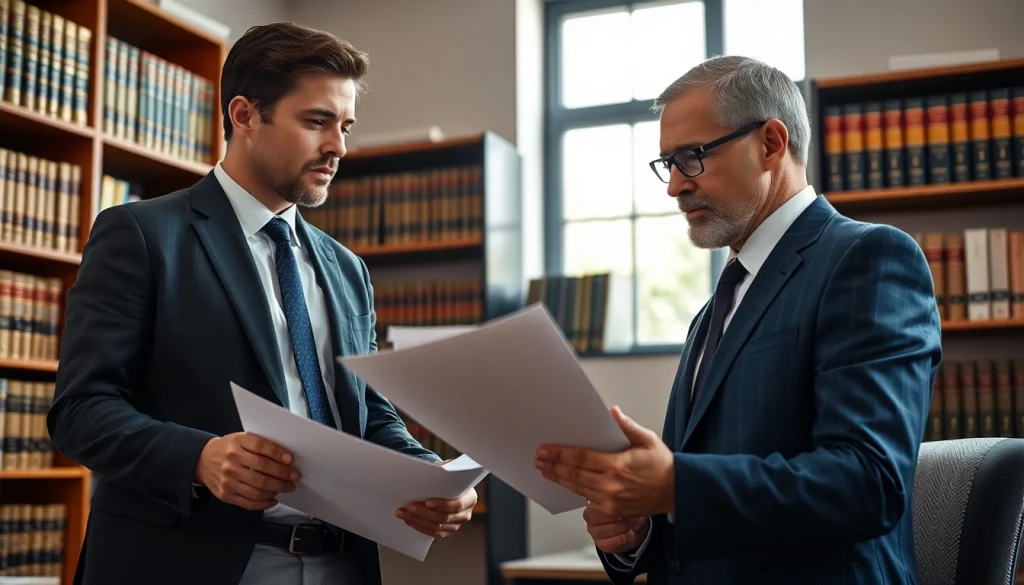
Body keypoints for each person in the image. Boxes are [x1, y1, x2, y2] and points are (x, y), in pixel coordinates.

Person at [46, 22, 476, 585]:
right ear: (245, 115)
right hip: (188, 563)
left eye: (345, 127)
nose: (338, 147)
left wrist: (427, 475)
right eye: (317, 121)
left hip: (342, 563)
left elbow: (368, 414)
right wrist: (199, 457)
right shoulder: (140, 234)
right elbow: (80, 411)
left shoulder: (348, 270)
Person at [534, 55, 941, 585]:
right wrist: (639, 530)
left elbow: (868, 482)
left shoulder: (869, 258)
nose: (674, 186)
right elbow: (700, 505)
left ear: (771, 143)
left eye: (692, 157)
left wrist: (676, 485)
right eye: (668, 164)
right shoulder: (713, 310)